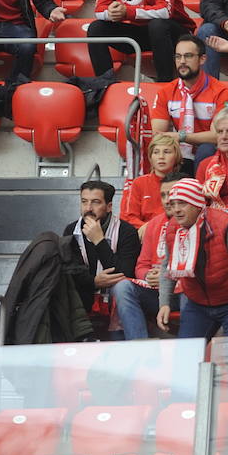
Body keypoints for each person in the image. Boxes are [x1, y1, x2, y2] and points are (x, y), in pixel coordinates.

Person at [155, 178, 228, 338]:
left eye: (182, 203)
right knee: (186, 357)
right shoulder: (173, 228)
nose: (176, 210)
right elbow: (167, 267)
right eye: (172, 204)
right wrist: (164, 303)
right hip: (197, 303)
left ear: (197, 205)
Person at [113, 172, 186, 340]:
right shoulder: (154, 224)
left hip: (186, 290)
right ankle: (140, 345)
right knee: (122, 287)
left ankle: (190, 345)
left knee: (192, 291)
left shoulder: (198, 221)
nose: (167, 200)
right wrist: (147, 275)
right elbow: (141, 265)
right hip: (156, 291)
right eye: (163, 195)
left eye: (173, 194)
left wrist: (167, 277)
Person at [149, 35, 228, 169]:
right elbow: (158, 134)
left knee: (206, 148)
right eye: (178, 57)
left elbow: (218, 136)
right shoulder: (165, 92)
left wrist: (182, 136)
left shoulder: (221, 92)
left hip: (209, 153)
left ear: (202, 59)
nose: (182, 61)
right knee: (161, 150)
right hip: (178, 152)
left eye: (188, 56)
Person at [63, 179, 142, 321]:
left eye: (95, 202)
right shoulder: (71, 230)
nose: (88, 208)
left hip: (116, 300)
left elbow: (125, 273)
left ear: (109, 206)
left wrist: (99, 241)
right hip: (82, 298)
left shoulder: (127, 231)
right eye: (84, 201)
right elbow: (70, 272)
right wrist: (94, 282)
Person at [122, 132, 182, 233]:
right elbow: (128, 217)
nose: (161, 156)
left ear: (176, 156)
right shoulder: (139, 183)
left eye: (167, 152)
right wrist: (151, 228)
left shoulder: (184, 183)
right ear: (150, 157)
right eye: (156, 152)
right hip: (145, 233)